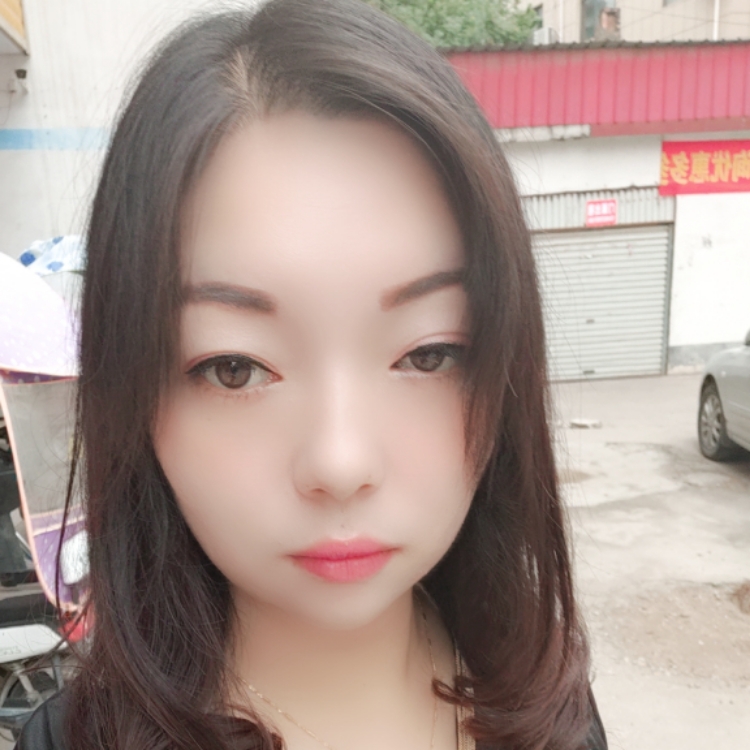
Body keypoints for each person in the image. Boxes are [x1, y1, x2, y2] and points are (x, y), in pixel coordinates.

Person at [16, 1, 607, 748]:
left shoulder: (549, 708)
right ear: (133, 396)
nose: (340, 463)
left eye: (428, 354)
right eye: (234, 368)